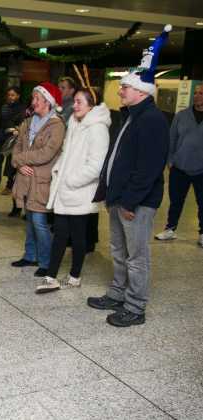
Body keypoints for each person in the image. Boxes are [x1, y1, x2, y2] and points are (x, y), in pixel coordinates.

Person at [88, 26, 171, 327]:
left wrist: (130, 202)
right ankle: (118, 293)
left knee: (137, 256)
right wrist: (108, 191)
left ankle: (135, 307)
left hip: (135, 202)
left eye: (124, 87)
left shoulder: (152, 120)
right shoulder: (130, 116)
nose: (120, 90)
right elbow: (118, 158)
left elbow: (149, 168)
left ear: (140, 91)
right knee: (118, 250)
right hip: (118, 197)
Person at [36, 88, 110, 293]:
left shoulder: (97, 128)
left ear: (91, 105)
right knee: (60, 235)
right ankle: (51, 276)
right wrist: (58, 170)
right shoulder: (75, 123)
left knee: (78, 238)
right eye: (74, 102)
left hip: (80, 192)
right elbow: (66, 154)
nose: (74, 106)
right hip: (65, 191)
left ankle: (74, 276)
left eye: (79, 102)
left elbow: (96, 166)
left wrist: (71, 181)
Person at [10, 82, 65, 277]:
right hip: (26, 179)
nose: (33, 102)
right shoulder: (28, 122)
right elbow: (16, 146)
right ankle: (30, 255)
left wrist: (21, 159)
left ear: (48, 102)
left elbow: (46, 154)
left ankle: (46, 262)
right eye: (33, 98)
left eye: (36, 99)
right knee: (30, 221)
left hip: (41, 182)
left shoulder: (56, 125)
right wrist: (18, 164)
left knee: (40, 223)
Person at [155, 84, 203, 247]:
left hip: (201, 170)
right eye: (195, 93)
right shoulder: (181, 115)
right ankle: (170, 229)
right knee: (176, 201)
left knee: (202, 202)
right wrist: (170, 161)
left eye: (201, 93)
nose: (197, 96)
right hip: (179, 168)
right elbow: (171, 139)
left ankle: (202, 233)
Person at [0, 86, 26, 195]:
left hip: (13, 139)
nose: (10, 97)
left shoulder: (22, 108)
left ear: (18, 96)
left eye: (13, 95)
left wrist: (15, 129)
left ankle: (9, 186)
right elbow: (0, 121)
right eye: (9, 95)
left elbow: (20, 123)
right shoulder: (4, 107)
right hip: (2, 138)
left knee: (10, 164)